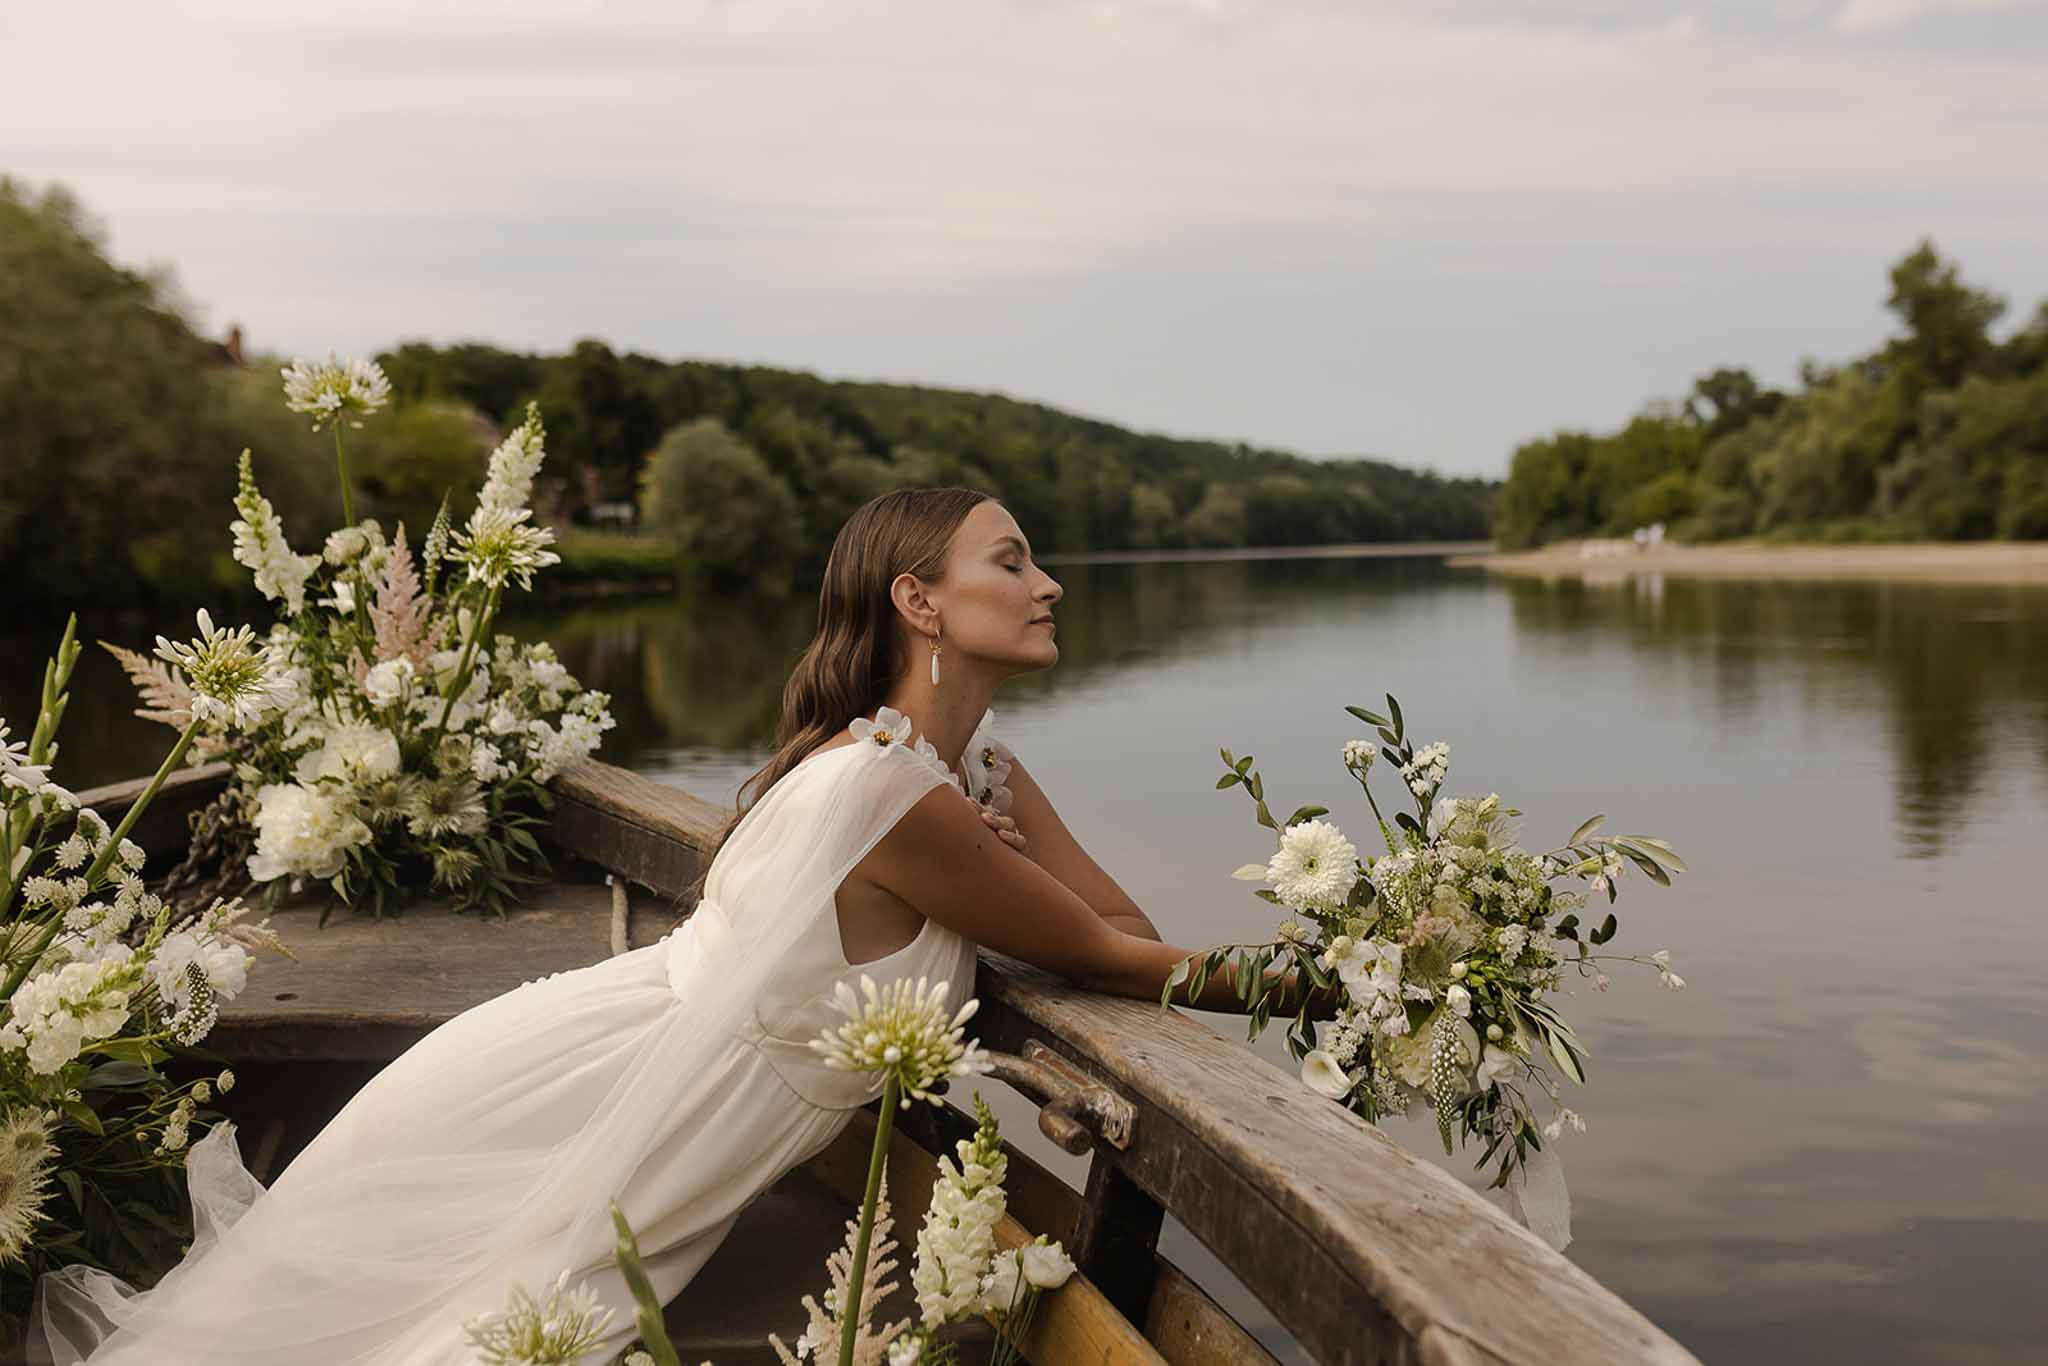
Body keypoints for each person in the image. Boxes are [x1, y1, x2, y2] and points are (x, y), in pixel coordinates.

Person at [34, 488, 1281, 1365]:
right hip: (601, 1100)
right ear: (919, 598)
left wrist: (1020, 883)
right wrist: (1357, 982)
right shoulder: (895, 791)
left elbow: (1119, 930)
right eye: (1010, 559)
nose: (1047, 580)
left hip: (644, 1105)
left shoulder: (970, 777)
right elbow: (1121, 956)